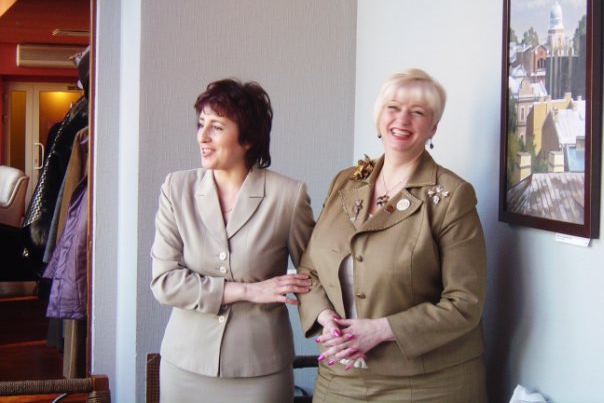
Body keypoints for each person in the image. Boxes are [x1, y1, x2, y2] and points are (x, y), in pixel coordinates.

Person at [298, 69, 487, 402]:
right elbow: (310, 268)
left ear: (433, 127)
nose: (402, 119)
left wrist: (380, 330)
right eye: (393, 108)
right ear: (379, 117)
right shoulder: (345, 181)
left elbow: (465, 302)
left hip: (427, 384)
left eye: (418, 112)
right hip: (341, 374)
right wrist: (326, 319)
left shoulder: (452, 195)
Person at [150, 78, 315, 403]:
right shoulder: (176, 189)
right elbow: (164, 282)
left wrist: (335, 327)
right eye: (201, 124)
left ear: (247, 138)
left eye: (216, 126)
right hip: (185, 365)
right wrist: (249, 291)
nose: (203, 136)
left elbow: (314, 276)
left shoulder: (288, 196)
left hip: (260, 368)